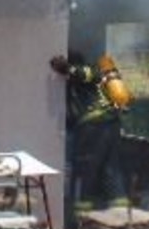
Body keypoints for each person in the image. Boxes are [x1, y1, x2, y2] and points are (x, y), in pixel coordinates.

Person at [50, 52, 130, 213]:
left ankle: (81, 210)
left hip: (94, 126)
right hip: (112, 123)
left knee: (86, 165)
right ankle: (120, 208)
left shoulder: (90, 71)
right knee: (111, 165)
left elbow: (80, 73)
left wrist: (63, 67)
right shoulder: (102, 77)